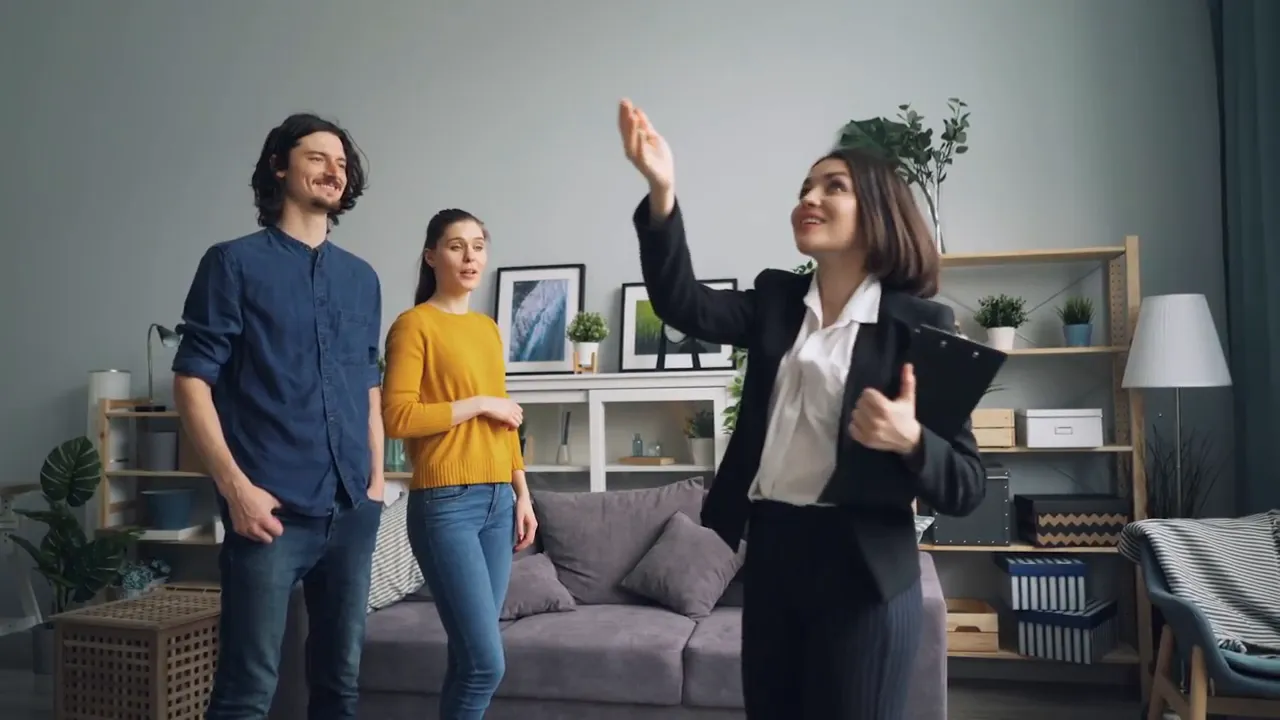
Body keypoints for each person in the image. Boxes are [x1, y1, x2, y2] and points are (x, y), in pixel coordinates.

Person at [617, 99, 986, 720]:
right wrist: (662, 190)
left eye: (831, 187)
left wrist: (911, 440)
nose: (808, 198)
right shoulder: (776, 302)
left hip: (863, 566)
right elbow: (683, 304)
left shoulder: (922, 326)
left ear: (877, 212)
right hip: (774, 553)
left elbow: (968, 486)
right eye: (804, 188)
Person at [172, 113, 384, 720]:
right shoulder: (232, 264)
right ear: (279, 166)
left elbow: (366, 383)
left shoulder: (362, 279)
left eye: (341, 163)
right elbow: (192, 381)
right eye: (317, 157)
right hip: (266, 513)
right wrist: (235, 490)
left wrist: (373, 485)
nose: (333, 171)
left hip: (350, 511)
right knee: (246, 693)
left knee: (339, 690)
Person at [381, 208, 539, 720]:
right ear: (431, 256)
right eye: (456, 246)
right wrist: (478, 403)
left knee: (467, 657)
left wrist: (523, 493)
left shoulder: (488, 329)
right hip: (446, 505)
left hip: (497, 500)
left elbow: (507, 419)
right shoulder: (413, 325)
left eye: (478, 245)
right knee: (485, 664)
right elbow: (397, 416)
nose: (470, 256)